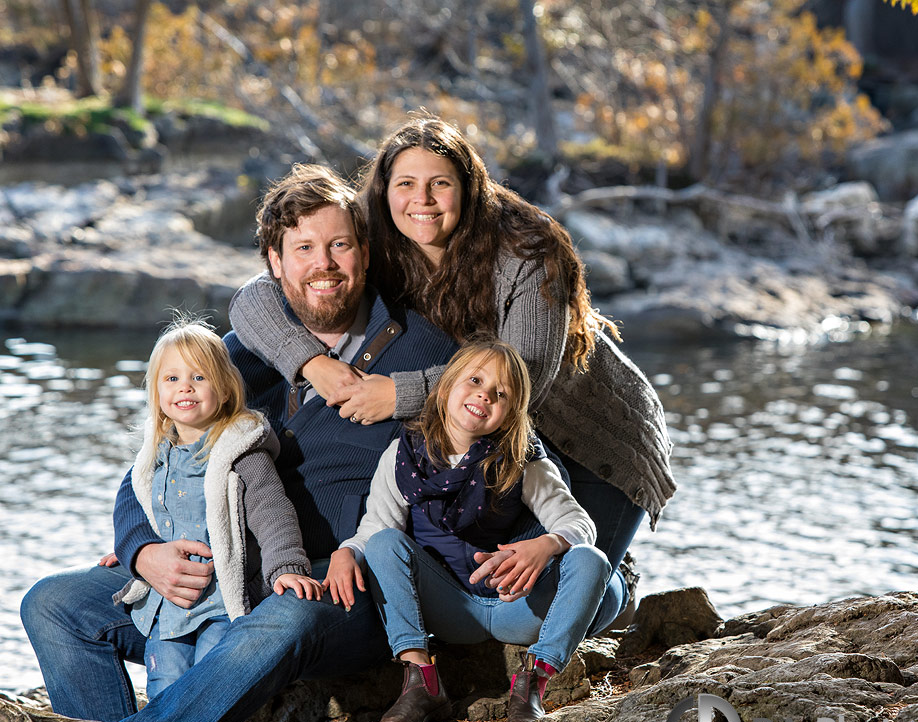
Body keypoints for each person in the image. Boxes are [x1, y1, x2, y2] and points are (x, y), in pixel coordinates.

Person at [21, 164, 459, 722]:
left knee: (286, 617)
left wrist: (365, 544)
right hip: (222, 570)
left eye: (339, 245)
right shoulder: (238, 357)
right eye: (303, 248)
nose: (322, 264)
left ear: (366, 252)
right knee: (53, 604)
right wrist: (141, 549)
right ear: (276, 264)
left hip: (340, 583)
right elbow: (155, 455)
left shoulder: (420, 348)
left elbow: (448, 477)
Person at [230, 116, 676, 587]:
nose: (421, 200)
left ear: (468, 187)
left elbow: (522, 375)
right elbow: (254, 297)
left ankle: (620, 584)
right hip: (487, 427)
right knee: (493, 585)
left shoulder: (526, 251)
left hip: (587, 433)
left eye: (439, 183)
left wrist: (396, 394)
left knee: (576, 582)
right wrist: (312, 363)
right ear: (384, 190)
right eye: (406, 183)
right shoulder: (377, 226)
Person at [334, 338, 614, 722]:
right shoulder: (401, 455)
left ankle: (533, 681)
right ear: (446, 387)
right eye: (476, 380)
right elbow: (377, 528)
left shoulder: (522, 459)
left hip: (516, 607)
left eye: (501, 393)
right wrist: (347, 552)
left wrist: (545, 545)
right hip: (448, 607)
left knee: (592, 559)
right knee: (382, 544)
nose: (485, 394)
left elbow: (579, 523)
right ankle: (421, 681)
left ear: (510, 413)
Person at [103, 316, 322, 700]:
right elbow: (144, 510)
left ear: (224, 390)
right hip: (168, 604)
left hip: (222, 601)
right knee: (164, 684)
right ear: (155, 393)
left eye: (198, 377)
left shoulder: (242, 452)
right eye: (171, 379)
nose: (184, 386)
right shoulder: (154, 457)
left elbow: (272, 511)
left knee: (210, 683)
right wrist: (130, 554)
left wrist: (286, 567)